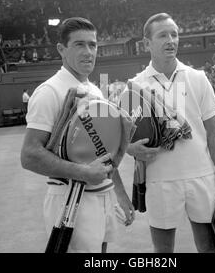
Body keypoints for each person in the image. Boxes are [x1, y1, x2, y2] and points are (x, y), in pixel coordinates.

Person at [20, 17, 135, 253]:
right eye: (79, 45)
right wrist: (83, 172)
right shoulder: (49, 92)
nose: (88, 52)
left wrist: (120, 194)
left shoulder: (94, 90)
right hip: (68, 198)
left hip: (101, 194)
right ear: (61, 50)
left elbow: (105, 152)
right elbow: (29, 155)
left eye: (92, 45)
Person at [126, 13, 215, 253]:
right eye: (163, 35)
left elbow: (214, 132)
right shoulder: (135, 86)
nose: (170, 40)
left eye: (174, 34)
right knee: (163, 251)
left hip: (202, 176)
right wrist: (130, 148)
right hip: (159, 179)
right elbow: (123, 137)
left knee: (210, 247)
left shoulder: (198, 78)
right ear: (147, 43)